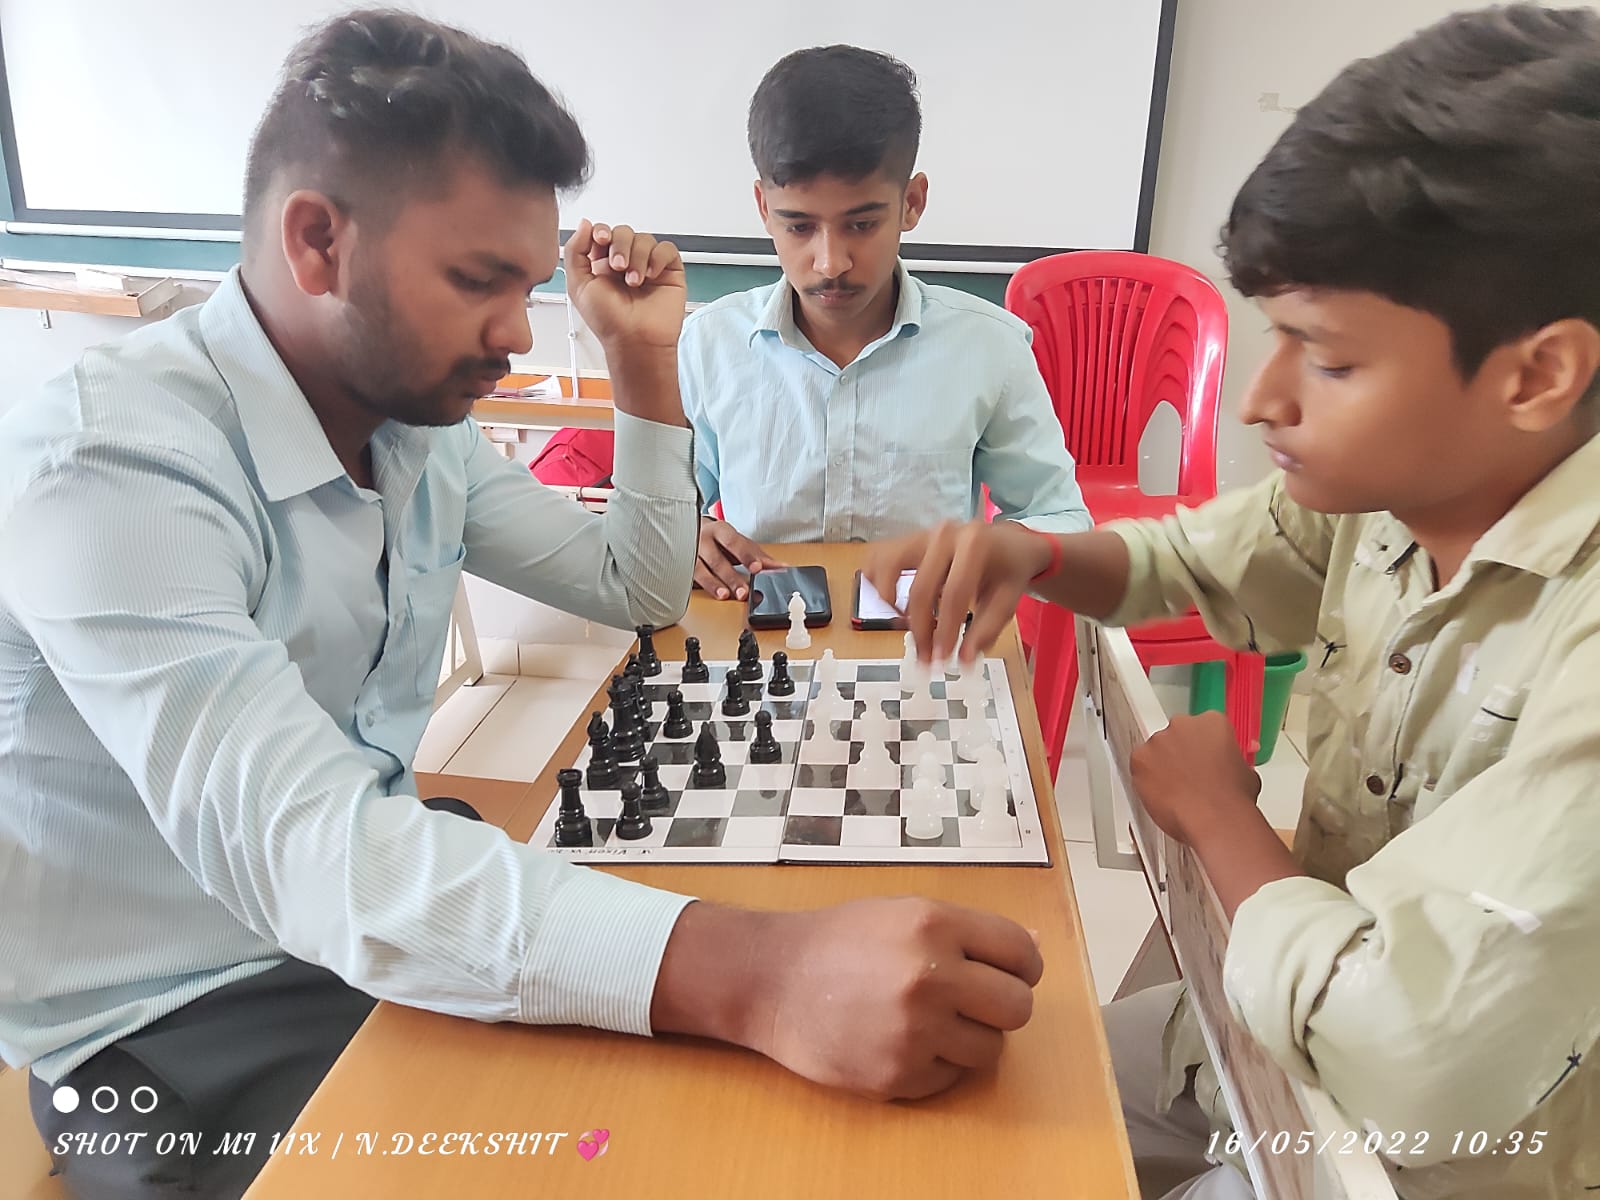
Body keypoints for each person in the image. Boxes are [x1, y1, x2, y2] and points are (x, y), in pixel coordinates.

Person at [0, 13, 1041, 1198]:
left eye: (529, 286)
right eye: (477, 283)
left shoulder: (409, 427)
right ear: (318, 241)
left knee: (719, 1134)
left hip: (366, 921)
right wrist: (763, 973)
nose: (514, 334)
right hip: (170, 1021)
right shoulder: (113, 469)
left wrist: (641, 363)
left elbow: (633, 587)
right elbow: (311, 860)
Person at [865, 6, 1600, 1197]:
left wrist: (1218, 819)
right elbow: (1191, 561)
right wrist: (1036, 556)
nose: (1259, 401)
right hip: (1256, 1037)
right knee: (941, 1113)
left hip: (1426, 1159)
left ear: (1537, 375)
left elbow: (1411, 1060)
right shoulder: (1400, 490)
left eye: (1329, 358)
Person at [679, 44, 1090, 601]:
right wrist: (686, 535)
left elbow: (1062, 517)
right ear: (763, 207)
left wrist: (1003, 547)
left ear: (912, 202)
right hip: (760, 636)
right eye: (798, 227)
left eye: (862, 224)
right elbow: (665, 514)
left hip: (925, 637)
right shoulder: (709, 345)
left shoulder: (990, 348)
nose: (830, 263)